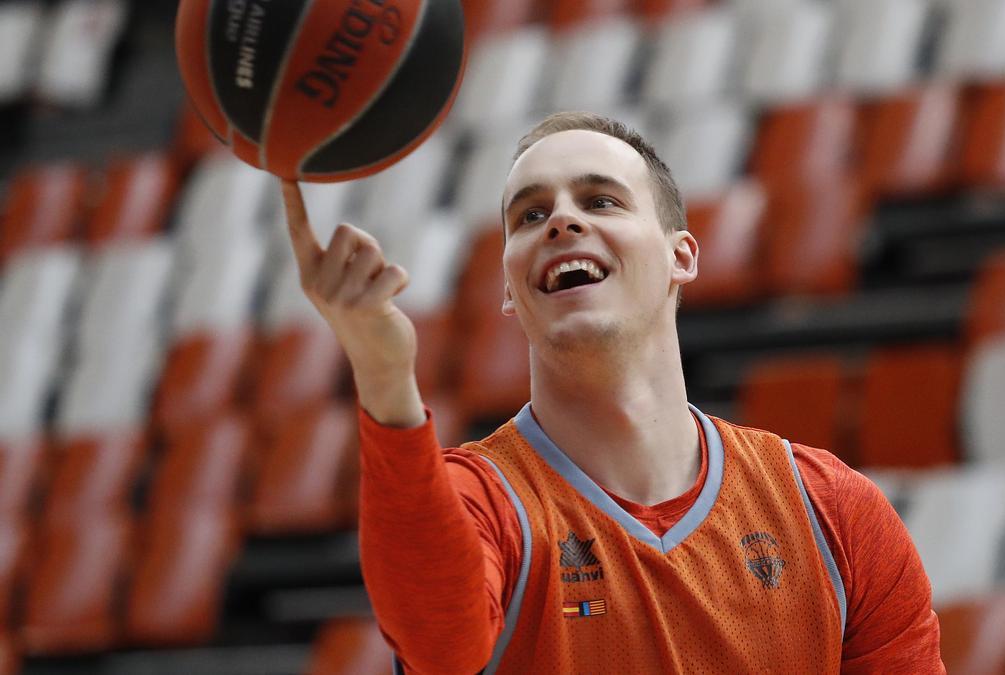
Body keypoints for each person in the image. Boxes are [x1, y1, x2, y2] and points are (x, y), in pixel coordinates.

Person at [282, 112, 944, 674]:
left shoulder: (833, 513)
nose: (561, 221)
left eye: (600, 200)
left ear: (681, 256)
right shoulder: (482, 503)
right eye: (531, 213)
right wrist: (381, 370)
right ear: (510, 290)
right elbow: (439, 644)